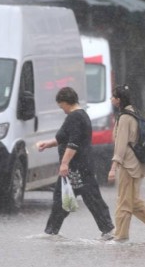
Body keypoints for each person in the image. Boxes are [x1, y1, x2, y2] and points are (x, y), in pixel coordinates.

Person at [37, 87, 115, 240]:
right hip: (81, 166)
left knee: (85, 198)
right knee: (80, 197)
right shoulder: (81, 115)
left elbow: (73, 143)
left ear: (67, 102)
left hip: (76, 168)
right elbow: (64, 138)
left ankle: (52, 231)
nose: (62, 110)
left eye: (62, 106)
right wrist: (48, 144)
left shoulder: (75, 117)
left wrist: (64, 163)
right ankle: (52, 231)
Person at [108, 84, 145, 242]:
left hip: (128, 164)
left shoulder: (125, 117)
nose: (111, 99)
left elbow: (120, 145)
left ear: (119, 100)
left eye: (113, 96)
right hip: (138, 164)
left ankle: (120, 237)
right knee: (132, 201)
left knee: (123, 202)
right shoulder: (134, 113)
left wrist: (113, 168)